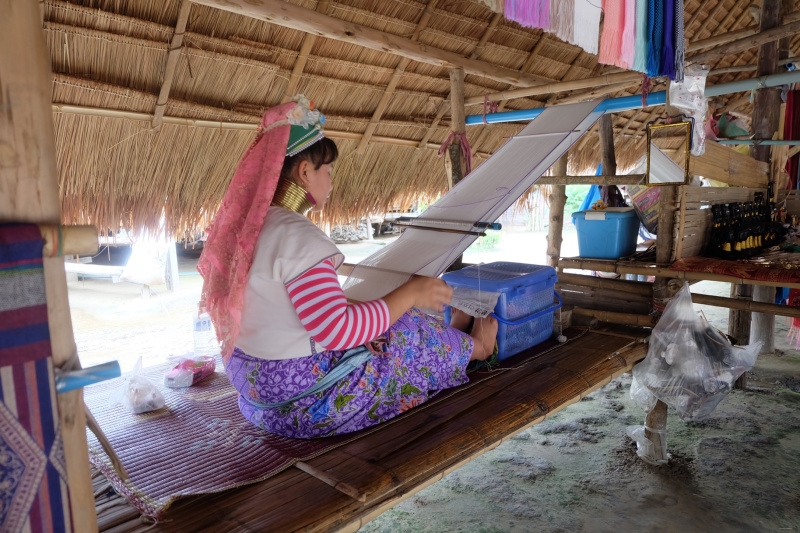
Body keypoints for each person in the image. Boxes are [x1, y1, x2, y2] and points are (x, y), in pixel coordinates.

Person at [198, 96, 497, 439]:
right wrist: (412, 292)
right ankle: (479, 349)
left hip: (258, 396)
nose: (331, 180)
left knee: (383, 321)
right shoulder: (298, 237)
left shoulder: (248, 231)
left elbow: (299, 309)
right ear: (305, 172)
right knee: (406, 330)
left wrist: (370, 318)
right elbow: (336, 331)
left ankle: (455, 340)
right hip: (307, 403)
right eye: (328, 171)